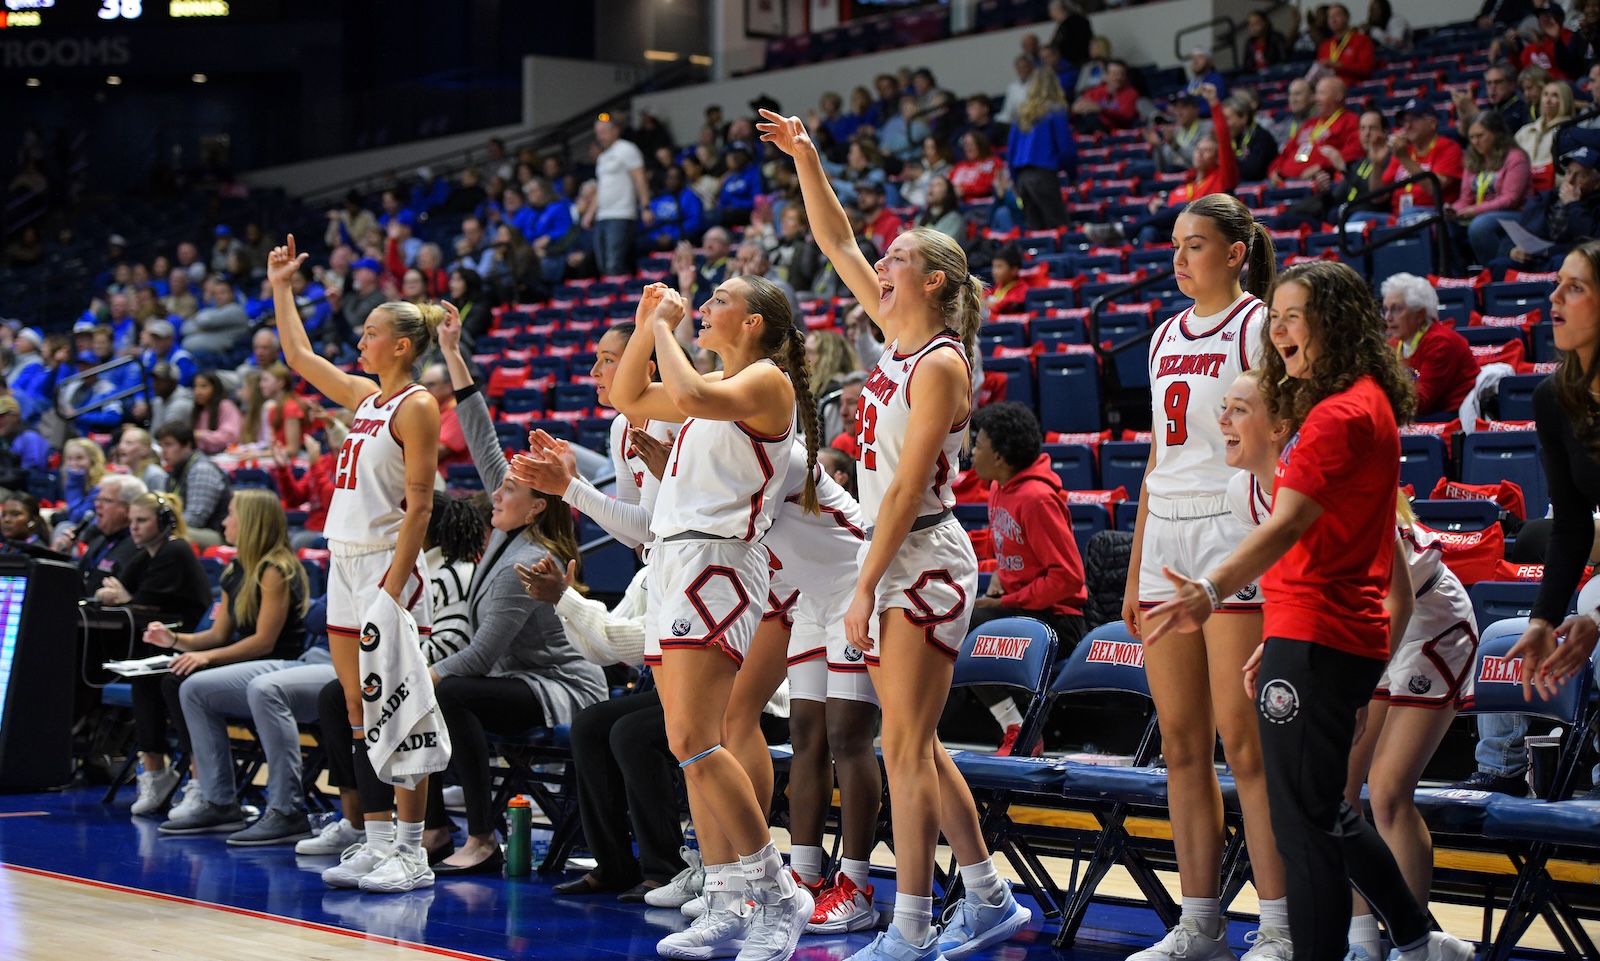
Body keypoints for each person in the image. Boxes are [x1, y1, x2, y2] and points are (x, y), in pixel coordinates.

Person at [1142, 259, 1474, 961]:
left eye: (1293, 315)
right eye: (1277, 316)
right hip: (1320, 633)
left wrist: (1211, 587)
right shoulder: (1355, 408)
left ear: (1333, 322)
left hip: (1344, 631)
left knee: (1304, 824)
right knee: (1326, 809)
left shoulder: (1334, 419)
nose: (1278, 328)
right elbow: (1317, 549)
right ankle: (1417, 940)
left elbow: (1292, 527)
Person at [760, 107, 1029, 961]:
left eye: (900, 258)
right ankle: (987, 894)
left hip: (920, 556)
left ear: (938, 281)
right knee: (915, 741)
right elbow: (836, 238)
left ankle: (912, 921)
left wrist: (864, 583)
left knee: (901, 744)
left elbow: (910, 489)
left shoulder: (943, 361)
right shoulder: (897, 336)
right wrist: (809, 158)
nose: (880, 265)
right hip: (893, 553)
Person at [603, 270, 819, 961]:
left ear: (753, 322)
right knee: (684, 741)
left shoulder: (766, 383)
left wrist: (664, 326)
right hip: (674, 560)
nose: (705, 308)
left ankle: (778, 892)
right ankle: (728, 896)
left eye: (720, 300)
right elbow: (626, 395)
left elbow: (689, 390)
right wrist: (646, 324)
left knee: (700, 736)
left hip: (718, 564)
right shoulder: (713, 393)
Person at [1118, 193, 1291, 961]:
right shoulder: (1161, 334)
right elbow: (1158, 457)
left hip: (1232, 523)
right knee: (1182, 746)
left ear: (1235, 251)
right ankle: (1200, 923)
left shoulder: (1261, 325)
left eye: (1196, 246)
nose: (1180, 258)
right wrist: (1135, 562)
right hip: (1166, 533)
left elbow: (1283, 434)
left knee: (1245, 744)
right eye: (1176, 246)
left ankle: (1280, 923)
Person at [268, 234, 444, 895]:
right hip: (342, 563)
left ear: (401, 345)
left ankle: (412, 848)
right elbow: (298, 355)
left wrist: (391, 591)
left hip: (385, 566)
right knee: (357, 707)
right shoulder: (367, 398)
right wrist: (283, 287)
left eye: (371, 333)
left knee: (402, 708)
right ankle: (376, 841)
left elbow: (421, 506)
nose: (361, 342)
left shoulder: (416, 404)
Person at [423, 310, 608, 875]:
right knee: (432, 695)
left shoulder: (527, 559)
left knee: (445, 693)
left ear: (536, 506)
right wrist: (454, 354)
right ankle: (433, 829)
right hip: (515, 677)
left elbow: (478, 658)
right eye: (499, 486)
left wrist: (423, 672)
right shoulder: (512, 526)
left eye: (508, 489)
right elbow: (482, 438)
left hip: (561, 685)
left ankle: (482, 837)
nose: (494, 493)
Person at [150, 491, 311, 838]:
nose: (224, 521)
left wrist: (205, 658)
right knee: (174, 677)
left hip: (280, 667)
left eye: (231, 514)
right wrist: (176, 641)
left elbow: (263, 641)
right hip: (242, 669)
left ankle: (218, 797)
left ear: (250, 521)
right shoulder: (235, 570)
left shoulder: (275, 570)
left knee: (189, 684)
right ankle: (215, 798)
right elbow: (218, 635)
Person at [1506, 237, 1600, 722]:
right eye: (1558, 283)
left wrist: (1597, 617)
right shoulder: (1554, 397)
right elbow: (1571, 526)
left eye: (1576, 287)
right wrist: (1545, 618)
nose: (1554, 297)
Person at [967, 402, 1087, 755]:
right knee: (956, 613)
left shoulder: (1036, 499)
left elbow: (1067, 577)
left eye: (978, 445)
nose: (972, 452)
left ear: (1001, 457)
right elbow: (1012, 543)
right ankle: (1013, 725)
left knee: (969, 621)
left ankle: (1019, 728)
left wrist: (1004, 601)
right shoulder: (999, 487)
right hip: (1025, 610)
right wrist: (1000, 577)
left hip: (1059, 621)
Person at [97, 491, 213, 817]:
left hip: (193, 642)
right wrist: (124, 596)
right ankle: (156, 771)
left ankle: (198, 779)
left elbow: (138, 600)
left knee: (164, 679)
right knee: (143, 678)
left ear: (163, 522)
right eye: (131, 521)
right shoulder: (147, 554)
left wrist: (125, 597)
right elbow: (115, 589)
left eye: (142, 520)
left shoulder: (175, 550)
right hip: (163, 643)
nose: (134, 528)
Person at [1088, 83, 1237, 247]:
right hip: (1183, 233)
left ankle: (1122, 230)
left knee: (1185, 208)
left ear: (1217, 158)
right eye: (1198, 150)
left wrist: (1214, 103)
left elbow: (1223, 138)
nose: (1200, 153)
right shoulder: (1187, 185)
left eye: (1207, 151)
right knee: (1149, 230)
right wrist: (1161, 207)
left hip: (1210, 232)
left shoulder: (1223, 177)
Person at [1380, 274, 1480, 417]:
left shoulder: (1441, 342)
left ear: (1420, 314)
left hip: (1448, 418)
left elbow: (1420, 402)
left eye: (1396, 309)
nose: (1388, 317)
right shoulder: (1394, 343)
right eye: (1385, 309)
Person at [1490, 146, 1600, 273]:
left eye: (1580, 176)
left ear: (1597, 183)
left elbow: (1590, 241)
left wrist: (1573, 204)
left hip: (1565, 260)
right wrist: (1511, 250)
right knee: (1498, 265)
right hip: (1534, 259)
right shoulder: (1544, 199)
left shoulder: (1596, 206)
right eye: (1569, 172)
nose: (1570, 180)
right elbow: (1517, 233)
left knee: (1561, 262)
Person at [1450, 111, 1533, 266]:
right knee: (1443, 224)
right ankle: (1457, 275)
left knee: (1480, 225)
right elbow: (1466, 199)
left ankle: (1494, 271)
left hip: (1517, 215)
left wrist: (1475, 210)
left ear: (1496, 134)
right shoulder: (1473, 160)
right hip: (1483, 214)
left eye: (1480, 136)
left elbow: (1510, 199)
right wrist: (1453, 210)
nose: (1475, 141)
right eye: (1472, 137)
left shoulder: (1515, 158)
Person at [1010, 67, 1077, 230]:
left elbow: (1011, 151)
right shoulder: (1055, 111)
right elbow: (1066, 148)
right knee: (1058, 228)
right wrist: (1072, 174)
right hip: (1044, 174)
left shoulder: (1022, 114)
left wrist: (1014, 180)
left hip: (1022, 177)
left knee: (1036, 231)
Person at [1269, 77, 1362, 185]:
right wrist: (1274, 170)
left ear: (1338, 96)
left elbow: (1354, 151)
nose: (1316, 99)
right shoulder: (1311, 123)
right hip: (1285, 182)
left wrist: (1322, 166)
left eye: (1322, 93)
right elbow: (1286, 152)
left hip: (1317, 185)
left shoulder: (1351, 121)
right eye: (1316, 94)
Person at [588, 116, 651, 277]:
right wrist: (590, 213)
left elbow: (639, 178)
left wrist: (645, 206)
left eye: (603, 132)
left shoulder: (626, 149)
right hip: (602, 215)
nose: (600, 136)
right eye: (598, 133)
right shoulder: (602, 157)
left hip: (621, 213)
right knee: (602, 263)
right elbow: (601, 187)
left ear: (615, 130)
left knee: (614, 263)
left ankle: (623, 298)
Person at [154, 422, 232, 548]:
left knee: (160, 533)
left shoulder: (201, 469)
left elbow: (196, 518)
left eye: (168, 445)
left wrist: (162, 526)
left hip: (216, 534)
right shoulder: (174, 470)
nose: (164, 452)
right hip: (188, 528)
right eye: (161, 446)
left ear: (187, 445)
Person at [1383, 100, 1465, 217]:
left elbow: (1434, 188)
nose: (1408, 126)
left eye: (1414, 119)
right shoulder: (1404, 149)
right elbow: (1378, 197)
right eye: (1404, 121)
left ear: (1433, 123)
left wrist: (1404, 158)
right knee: (1358, 217)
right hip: (1399, 217)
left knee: (1409, 213)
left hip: (1436, 216)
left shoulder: (1448, 148)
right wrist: (1376, 163)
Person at [70, 475, 147, 595]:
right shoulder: (98, 540)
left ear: (128, 509)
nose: (97, 505)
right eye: (97, 499)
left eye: (106, 500)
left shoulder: (139, 548)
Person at [1514, 80, 1575, 192]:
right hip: (1520, 188)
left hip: (1552, 191)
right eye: (1545, 94)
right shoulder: (1525, 131)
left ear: (1565, 101)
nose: (1547, 100)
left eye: (1555, 95)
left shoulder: (1571, 132)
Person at [1071, 59, 1139, 134]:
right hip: (1091, 125)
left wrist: (1101, 109)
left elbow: (1126, 117)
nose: (1119, 78)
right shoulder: (1094, 91)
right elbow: (1080, 107)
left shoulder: (1131, 93)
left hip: (1116, 130)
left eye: (1122, 74)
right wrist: (1076, 108)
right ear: (1105, 76)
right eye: (1114, 74)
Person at [1316, 3, 1378, 84]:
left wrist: (1339, 65)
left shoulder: (1362, 40)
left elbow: (1366, 69)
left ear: (1347, 18)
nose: (1333, 19)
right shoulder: (1325, 46)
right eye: (1330, 17)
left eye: (1337, 15)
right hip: (1329, 88)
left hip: (1353, 87)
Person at [1224, 95, 1280, 184]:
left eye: (1228, 119)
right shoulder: (1233, 137)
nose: (1224, 124)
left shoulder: (1262, 137)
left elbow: (1252, 172)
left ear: (1244, 118)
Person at [59, 437, 106, 535]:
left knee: (64, 528)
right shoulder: (76, 480)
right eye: (69, 459)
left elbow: (77, 517)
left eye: (79, 458)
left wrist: (74, 482)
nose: (73, 463)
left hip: (97, 532)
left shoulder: (102, 485)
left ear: (93, 460)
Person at [189, 370, 242, 454]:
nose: (198, 391)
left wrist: (200, 435)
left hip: (225, 454)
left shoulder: (225, 406)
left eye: (203, 386)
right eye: (195, 386)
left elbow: (230, 437)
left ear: (215, 388)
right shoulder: (199, 410)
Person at [116, 427, 171, 494]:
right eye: (121, 442)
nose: (121, 447)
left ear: (144, 450)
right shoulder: (130, 472)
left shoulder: (155, 475)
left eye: (129, 443)